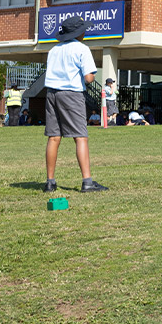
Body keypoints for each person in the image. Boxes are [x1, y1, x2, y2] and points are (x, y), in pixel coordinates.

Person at [43, 15, 108, 193]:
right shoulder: (82, 49)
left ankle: (50, 182)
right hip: (71, 94)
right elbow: (88, 78)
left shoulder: (54, 50)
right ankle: (87, 182)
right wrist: (90, 76)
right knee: (80, 137)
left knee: (54, 137)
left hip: (51, 94)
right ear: (79, 33)